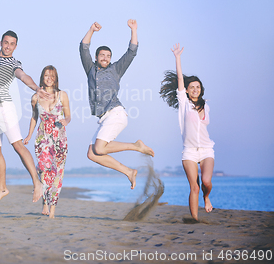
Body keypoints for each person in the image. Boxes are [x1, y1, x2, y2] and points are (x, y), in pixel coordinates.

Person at [0, 0, 52, 207]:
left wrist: (36, 87)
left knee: (18, 146)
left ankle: (37, 183)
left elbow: (23, 76)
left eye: (12, 44)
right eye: (5, 43)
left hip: (3, 108)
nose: (8, 47)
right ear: (1, 43)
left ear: (15, 46)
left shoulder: (14, 63)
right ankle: (2, 187)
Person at [80, 21, 154, 189]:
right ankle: (129, 172)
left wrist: (134, 29)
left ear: (110, 59)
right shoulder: (90, 69)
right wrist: (92, 30)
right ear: (97, 57)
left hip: (115, 113)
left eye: (108, 56)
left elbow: (131, 52)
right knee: (92, 154)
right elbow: (83, 47)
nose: (105, 58)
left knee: (99, 148)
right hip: (103, 117)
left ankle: (136, 146)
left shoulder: (116, 70)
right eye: (102, 55)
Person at [160, 44, 214, 221]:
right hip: (189, 151)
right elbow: (180, 81)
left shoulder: (206, 105)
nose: (195, 89)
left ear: (201, 89)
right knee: (194, 187)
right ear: (187, 90)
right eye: (192, 87)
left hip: (206, 149)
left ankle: (207, 197)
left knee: (206, 182)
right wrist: (177, 58)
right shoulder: (184, 103)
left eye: (198, 87)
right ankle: (195, 220)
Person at [23, 65, 71, 218]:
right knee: (44, 170)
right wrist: (29, 135)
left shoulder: (62, 95)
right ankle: (45, 202)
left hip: (60, 138)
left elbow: (69, 115)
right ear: (42, 78)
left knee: (58, 173)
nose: (49, 78)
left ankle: (53, 209)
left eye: (52, 76)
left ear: (55, 78)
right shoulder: (35, 97)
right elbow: (34, 117)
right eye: (46, 76)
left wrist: (66, 121)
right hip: (43, 138)